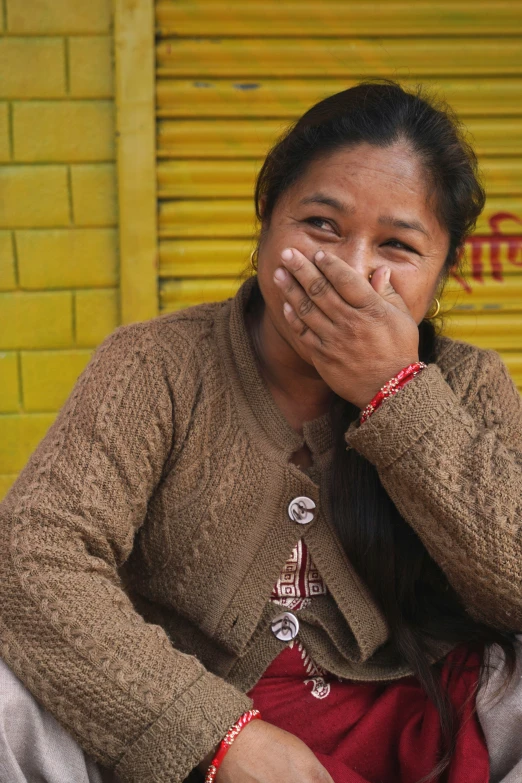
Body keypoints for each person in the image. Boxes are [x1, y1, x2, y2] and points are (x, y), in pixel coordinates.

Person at [1, 81, 521, 783]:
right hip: (181, 735)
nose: (349, 267)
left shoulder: (467, 381)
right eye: (321, 226)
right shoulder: (155, 365)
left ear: (442, 272)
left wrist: (394, 392)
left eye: (397, 245)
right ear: (266, 222)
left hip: (419, 725)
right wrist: (217, 736)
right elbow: (32, 557)